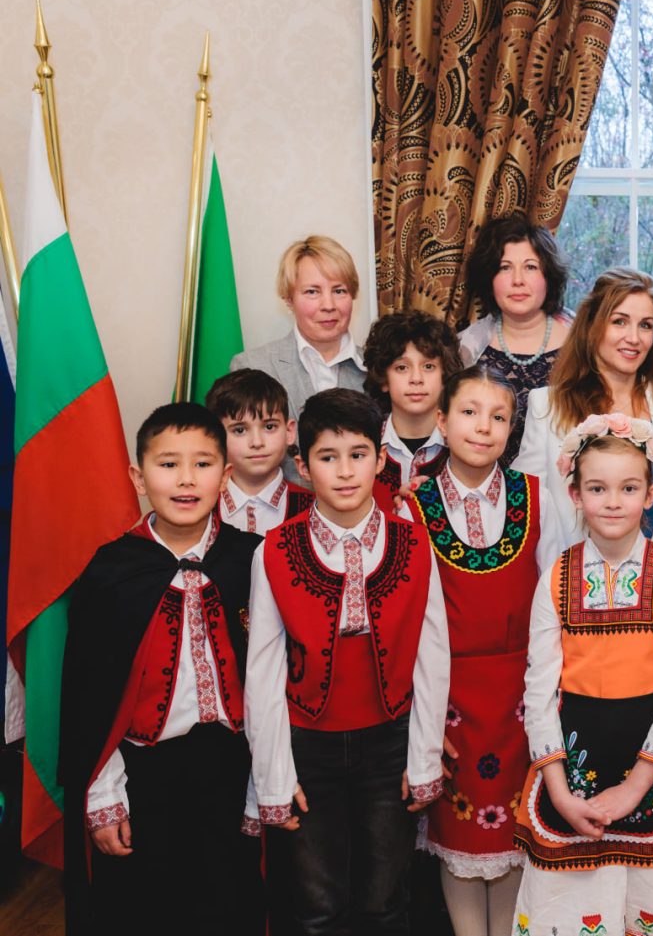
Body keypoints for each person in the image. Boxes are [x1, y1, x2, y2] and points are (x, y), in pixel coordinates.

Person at [245, 389, 451, 935]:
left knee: (385, 901)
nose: (344, 471)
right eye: (327, 457)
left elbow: (432, 656)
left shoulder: (415, 543)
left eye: (358, 455)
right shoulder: (273, 550)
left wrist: (424, 756)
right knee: (317, 906)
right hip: (307, 745)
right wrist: (273, 776)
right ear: (302, 465)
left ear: (380, 460)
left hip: (390, 742)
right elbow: (262, 671)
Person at [59, 402, 265, 935]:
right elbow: (87, 701)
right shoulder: (110, 570)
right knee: (145, 910)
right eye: (169, 464)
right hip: (143, 775)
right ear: (139, 477)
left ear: (225, 476)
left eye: (203, 463)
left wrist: (264, 781)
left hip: (234, 770)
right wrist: (103, 796)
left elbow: (276, 682)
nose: (186, 478)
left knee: (231, 906)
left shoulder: (254, 560)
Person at [511, 415, 653, 934]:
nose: (613, 501)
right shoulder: (556, 576)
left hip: (652, 770)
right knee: (567, 912)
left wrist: (635, 787)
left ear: (651, 494)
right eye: (597, 488)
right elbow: (538, 691)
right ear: (575, 494)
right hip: (571, 771)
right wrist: (559, 792)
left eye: (629, 488)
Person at [401, 366, 555, 936]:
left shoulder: (536, 497)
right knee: (459, 836)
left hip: (521, 693)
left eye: (499, 417)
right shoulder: (413, 507)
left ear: (512, 429)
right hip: (448, 695)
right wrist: (420, 716)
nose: (483, 427)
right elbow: (407, 621)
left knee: (513, 834)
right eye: (469, 413)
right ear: (441, 422)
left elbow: (554, 598)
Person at [514, 267, 653, 557]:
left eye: (646, 325)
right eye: (619, 321)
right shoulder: (546, 406)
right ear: (592, 326)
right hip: (573, 574)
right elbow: (524, 505)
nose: (634, 338)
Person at [456, 213, 572, 461]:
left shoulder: (583, 342)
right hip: (484, 479)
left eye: (530, 267)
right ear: (489, 278)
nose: (518, 280)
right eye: (505, 268)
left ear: (548, 276)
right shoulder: (463, 349)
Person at [231, 236, 366, 416]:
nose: (328, 305)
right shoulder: (252, 366)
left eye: (339, 291)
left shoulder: (379, 370)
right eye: (312, 291)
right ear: (289, 300)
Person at [362, 310, 463, 497]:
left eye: (428, 366)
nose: (416, 378)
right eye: (402, 367)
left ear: (445, 376)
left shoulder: (465, 445)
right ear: (383, 380)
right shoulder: (362, 445)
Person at [206, 368, 314, 533]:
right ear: (216, 437)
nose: (257, 442)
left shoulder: (316, 509)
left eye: (269, 427)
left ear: (289, 432)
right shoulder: (200, 507)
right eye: (240, 430)